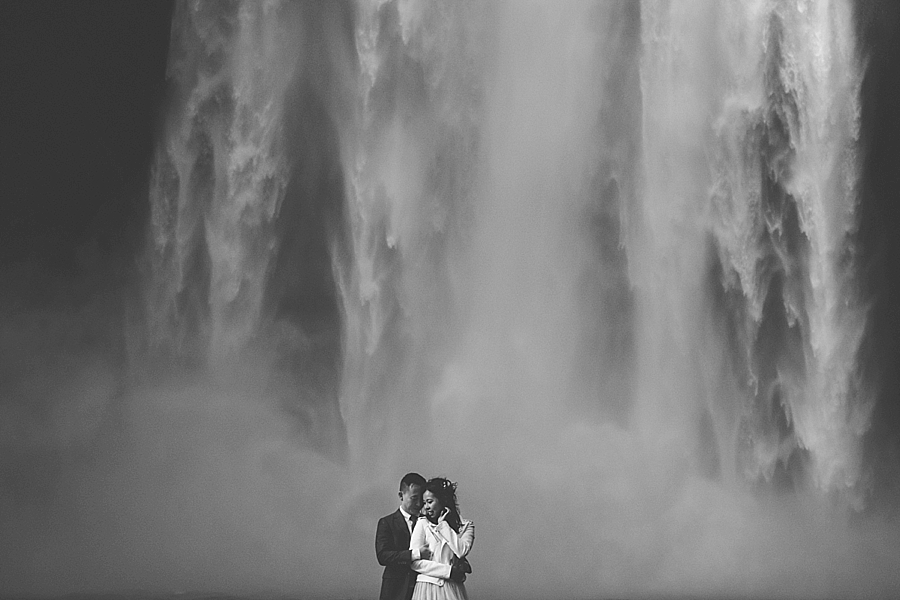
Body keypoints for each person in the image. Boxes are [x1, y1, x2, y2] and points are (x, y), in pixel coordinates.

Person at [410, 477, 475, 600]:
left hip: (453, 588)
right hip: (427, 588)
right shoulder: (422, 523)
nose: (426, 507)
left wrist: (443, 525)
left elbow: (461, 551)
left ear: (443, 501)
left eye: (430, 501)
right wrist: (448, 571)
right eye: (424, 503)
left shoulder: (467, 526)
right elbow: (414, 562)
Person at [376, 473, 432, 600]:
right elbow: (383, 556)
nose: (419, 504)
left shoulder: (430, 523)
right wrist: (415, 554)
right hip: (395, 590)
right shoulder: (387, 523)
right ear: (401, 495)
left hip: (424, 588)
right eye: (414, 498)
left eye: (422, 499)